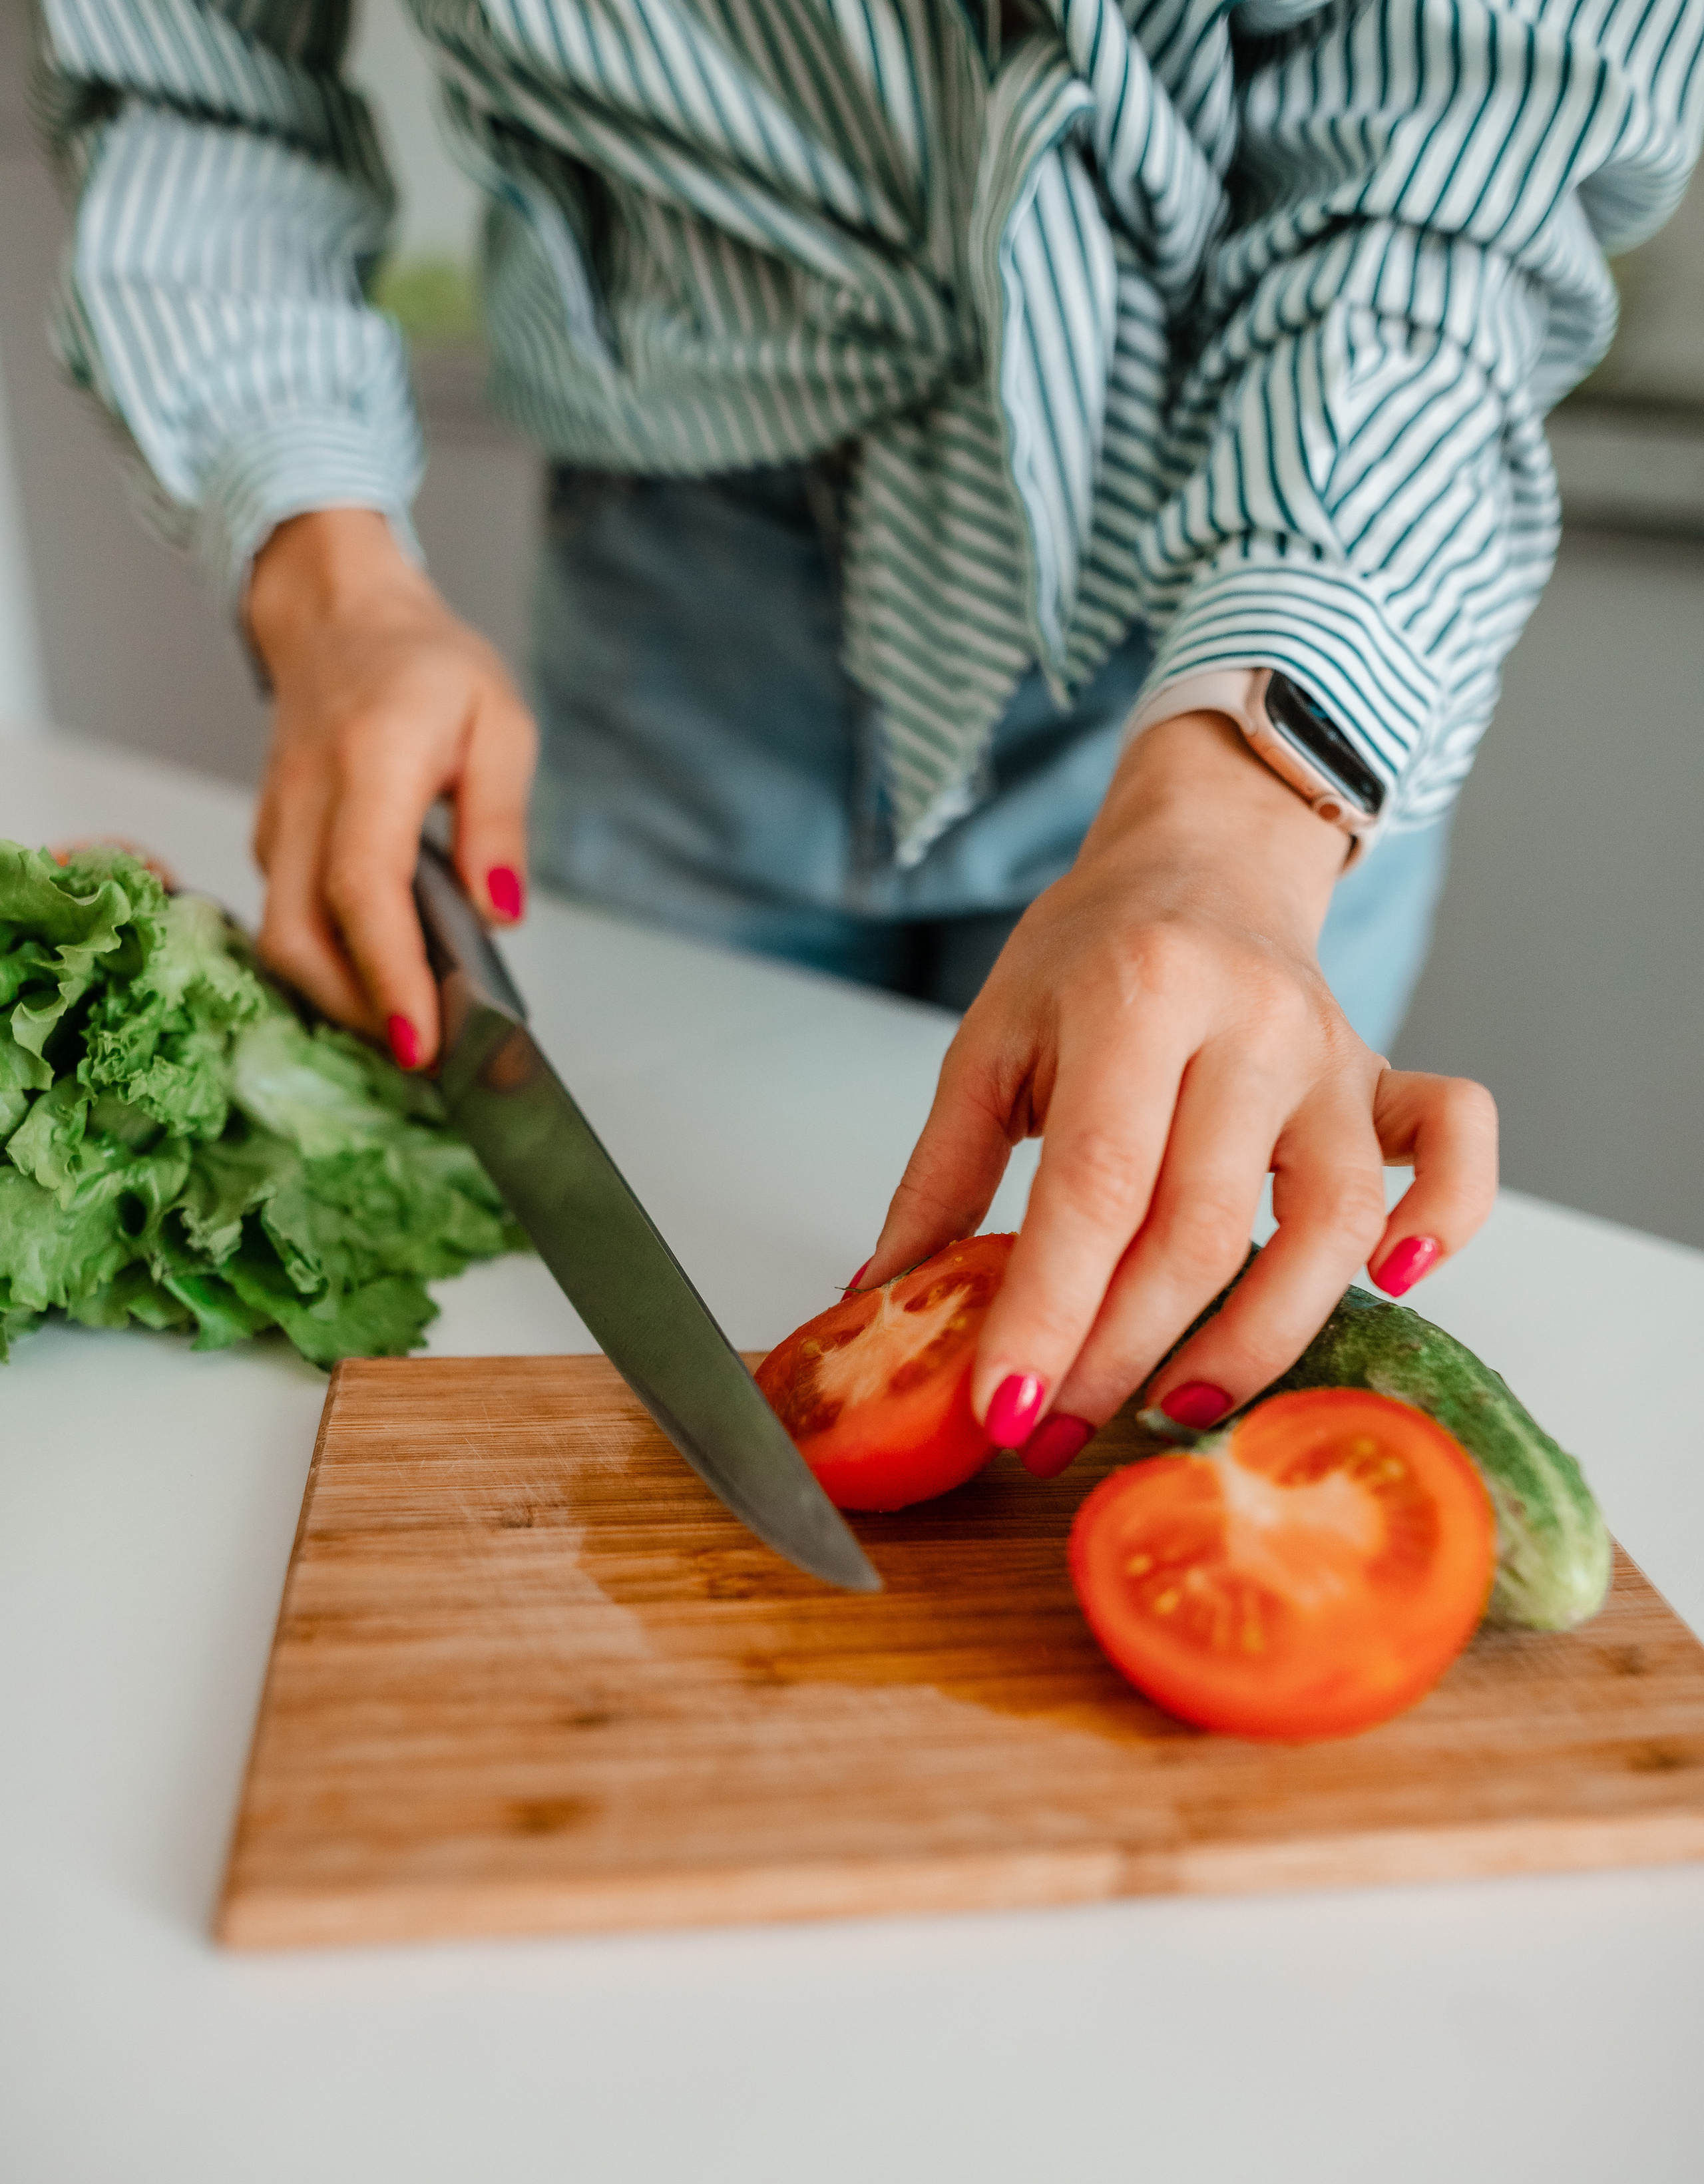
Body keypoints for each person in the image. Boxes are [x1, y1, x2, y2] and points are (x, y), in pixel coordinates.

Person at [36, 0, 1704, 1474]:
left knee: (1171, 1223)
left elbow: (1457, 160)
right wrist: (331, 580)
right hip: (674, 571)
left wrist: (1234, 815)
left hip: (1251, 585)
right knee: (649, 1213)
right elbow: (188, 69)